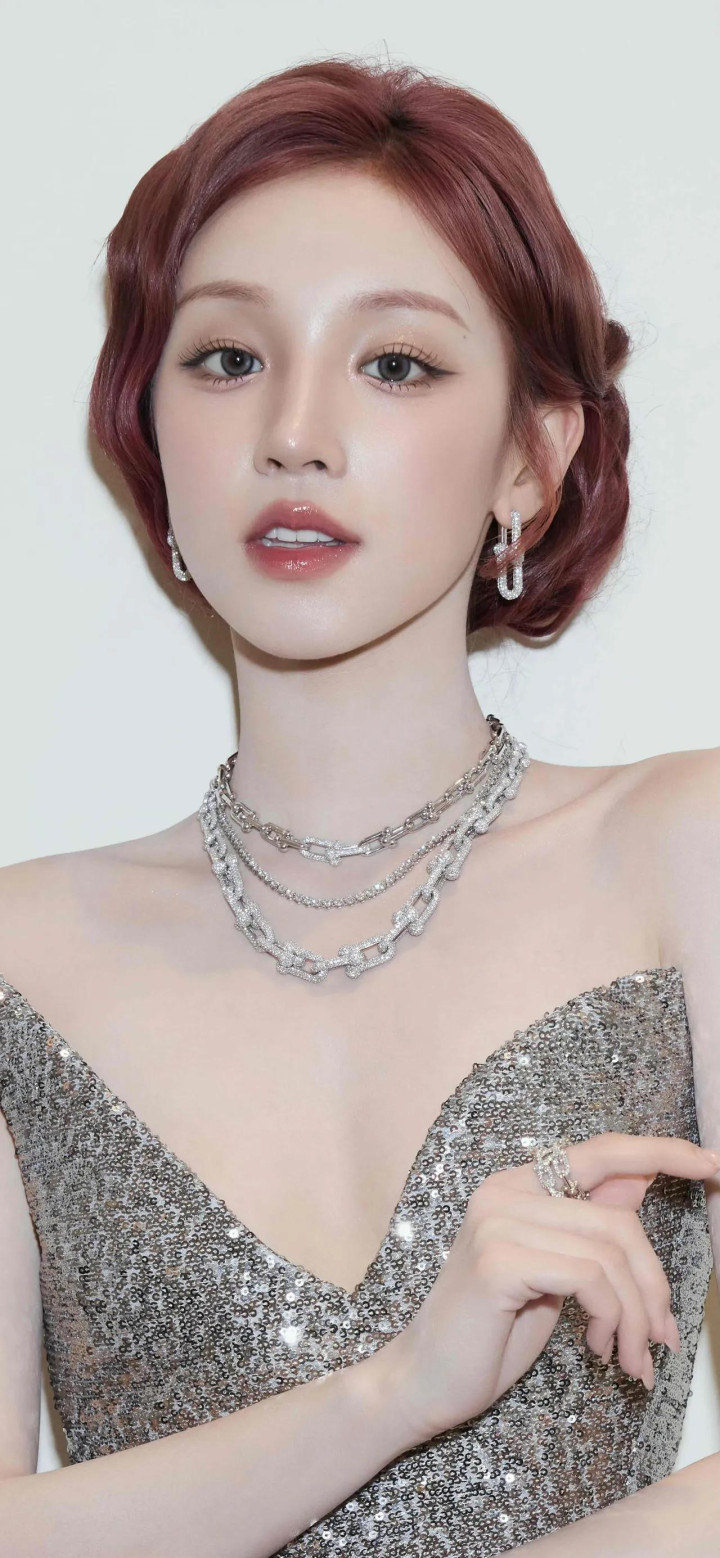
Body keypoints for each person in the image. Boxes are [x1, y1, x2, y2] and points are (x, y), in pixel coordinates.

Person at [0, 54, 718, 1558]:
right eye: (226, 358)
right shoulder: (23, 953)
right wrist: (390, 1393)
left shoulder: (683, 849)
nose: (295, 431)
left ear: (532, 455)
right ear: (152, 439)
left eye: (395, 363)